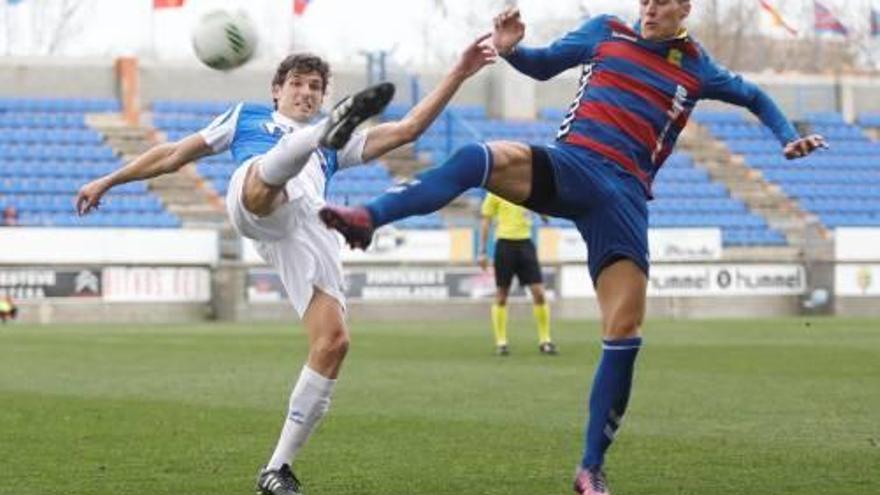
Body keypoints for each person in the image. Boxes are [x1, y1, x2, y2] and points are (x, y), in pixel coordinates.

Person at [318, 2, 827, 494]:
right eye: (645, 1)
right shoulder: (605, 31)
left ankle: (590, 469)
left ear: (684, 9)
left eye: (661, 3)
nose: (649, 9)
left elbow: (755, 96)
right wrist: (514, 50)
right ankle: (368, 218)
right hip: (571, 166)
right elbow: (541, 66)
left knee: (624, 333)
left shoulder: (696, 66)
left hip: (624, 196)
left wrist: (787, 135)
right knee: (478, 157)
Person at [75, 35, 496, 495]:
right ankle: (305, 142)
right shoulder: (247, 117)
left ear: (323, 98)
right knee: (267, 180)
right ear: (277, 91)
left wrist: (460, 70)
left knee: (334, 342)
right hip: (254, 196)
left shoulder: (337, 150)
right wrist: (109, 179)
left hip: (307, 228)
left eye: (315, 86)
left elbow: (408, 129)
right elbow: (174, 154)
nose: (306, 92)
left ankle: (277, 468)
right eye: (297, 83)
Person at [477, 192, 555, 356]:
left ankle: (545, 340)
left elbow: (544, 213)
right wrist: (482, 251)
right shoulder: (495, 192)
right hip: (504, 245)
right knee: (502, 295)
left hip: (525, 244)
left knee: (539, 293)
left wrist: (543, 213)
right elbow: (486, 221)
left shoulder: (525, 187)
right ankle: (501, 342)